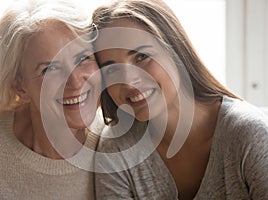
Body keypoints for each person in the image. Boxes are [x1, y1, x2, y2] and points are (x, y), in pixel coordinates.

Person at [92, 0, 268, 199]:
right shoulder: (117, 150)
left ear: (175, 50)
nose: (128, 81)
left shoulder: (249, 134)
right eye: (112, 69)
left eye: (141, 57)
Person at [0, 0, 103, 199]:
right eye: (50, 69)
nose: (75, 82)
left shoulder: (115, 145)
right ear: (19, 87)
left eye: (83, 58)